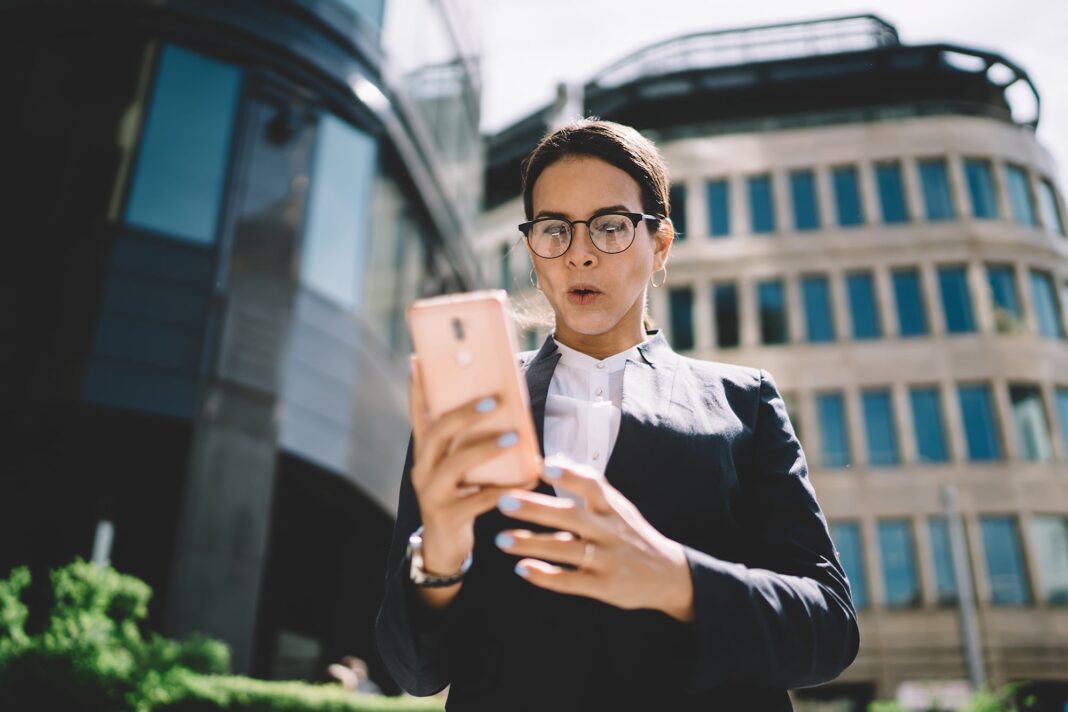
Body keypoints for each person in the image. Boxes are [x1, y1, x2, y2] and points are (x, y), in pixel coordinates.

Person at [375, 119, 859, 711]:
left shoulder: (744, 402)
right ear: (533, 249)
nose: (579, 253)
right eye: (554, 229)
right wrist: (442, 553)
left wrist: (677, 578)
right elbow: (413, 670)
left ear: (660, 245)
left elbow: (830, 631)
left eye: (610, 226)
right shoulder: (465, 409)